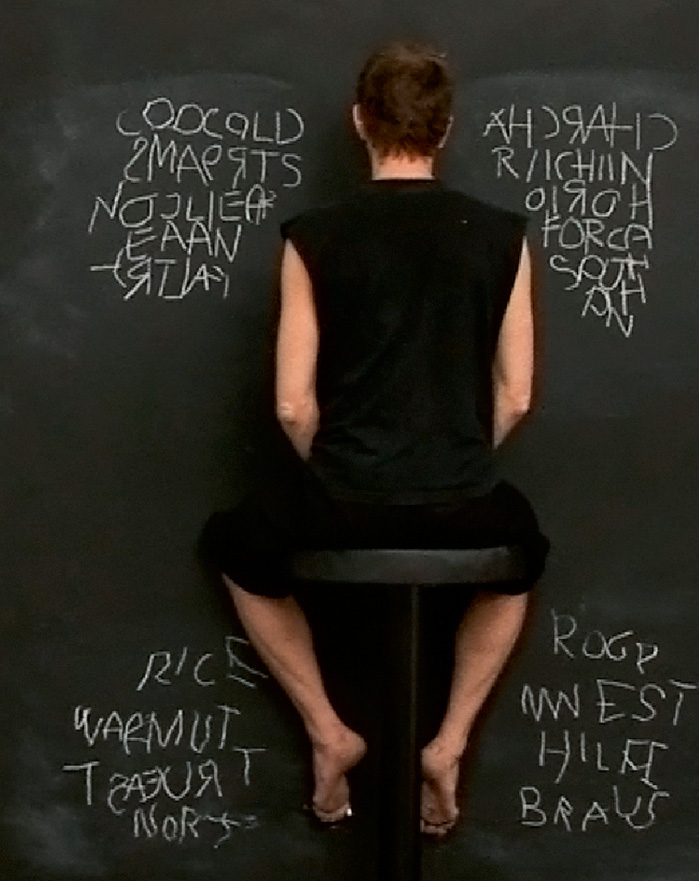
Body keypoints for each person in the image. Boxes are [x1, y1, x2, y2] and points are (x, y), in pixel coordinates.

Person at [200, 41, 548, 837]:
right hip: (463, 497)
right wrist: (456, 456)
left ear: (361, 122)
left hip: (343, 497)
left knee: (236, 547)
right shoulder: (502, 234)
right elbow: (517, 393)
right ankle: (449, 740)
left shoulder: (315, 234)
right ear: (445, 127)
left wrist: (343, 473)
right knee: (522, 558)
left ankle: (329, 728)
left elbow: (292, 405)